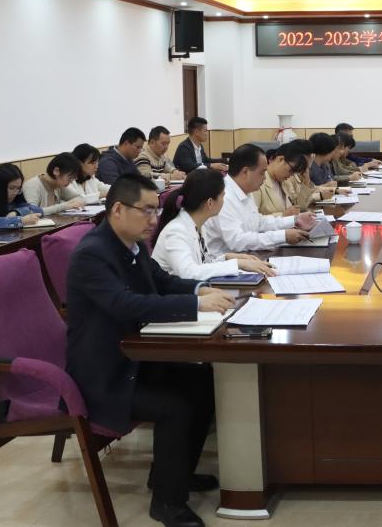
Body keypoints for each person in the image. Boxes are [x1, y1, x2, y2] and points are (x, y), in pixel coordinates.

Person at [66, 173, 234, 527]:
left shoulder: (132, 244)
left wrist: (200, 290)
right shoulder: (92, 254)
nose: (154, 219)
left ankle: (173, 474)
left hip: (135, 357)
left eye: (155, 211)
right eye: (146, 211)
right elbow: (124, 304)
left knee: (203, 380)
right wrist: (194, 307)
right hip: (106, 372)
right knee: (175, 406)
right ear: (117, 209)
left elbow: (161, 281)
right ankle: (167, 504)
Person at [153, 169, 275, 280]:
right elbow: (189, 273)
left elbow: (204, 264)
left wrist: (228, 257)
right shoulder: (176, 231)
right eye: (222, 196)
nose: (224, 201)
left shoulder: (198, 224)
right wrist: (237, 264)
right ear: (210, 203)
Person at [203, 143, 318, 255]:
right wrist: (282, 236)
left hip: (248, 257)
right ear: (245, 172)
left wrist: (295, 220)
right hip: (228, 263)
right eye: (262, 173)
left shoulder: (244, 191)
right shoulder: (225, 196)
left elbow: (259, 223)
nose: (264, 178)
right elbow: (237, 241)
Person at [254, 143, 310, 216]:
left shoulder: (284, 183)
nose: (290, 175)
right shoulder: (257, 182)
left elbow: (301, 206)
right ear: (280, 159)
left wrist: (306, 181)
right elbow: (252, 218)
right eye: (290, 170)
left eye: (294, 173)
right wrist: (283, 215)